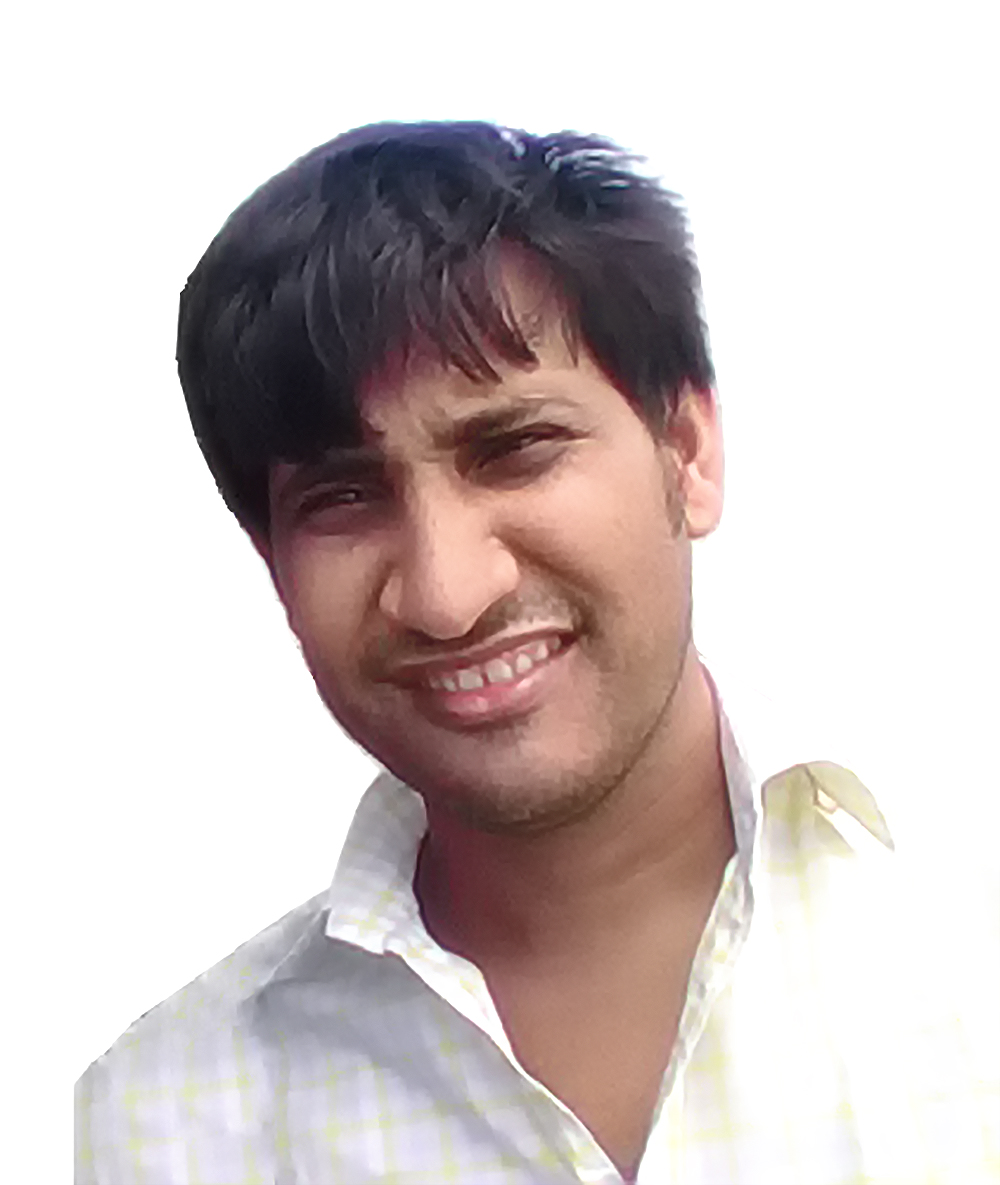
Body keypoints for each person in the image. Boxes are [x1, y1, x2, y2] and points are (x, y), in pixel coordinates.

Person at [75, 122, 998, 1185]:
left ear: (687, 453)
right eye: (342, 496)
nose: (446, 594)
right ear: (271, 565)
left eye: (514, 450)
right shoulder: (163, 1127)